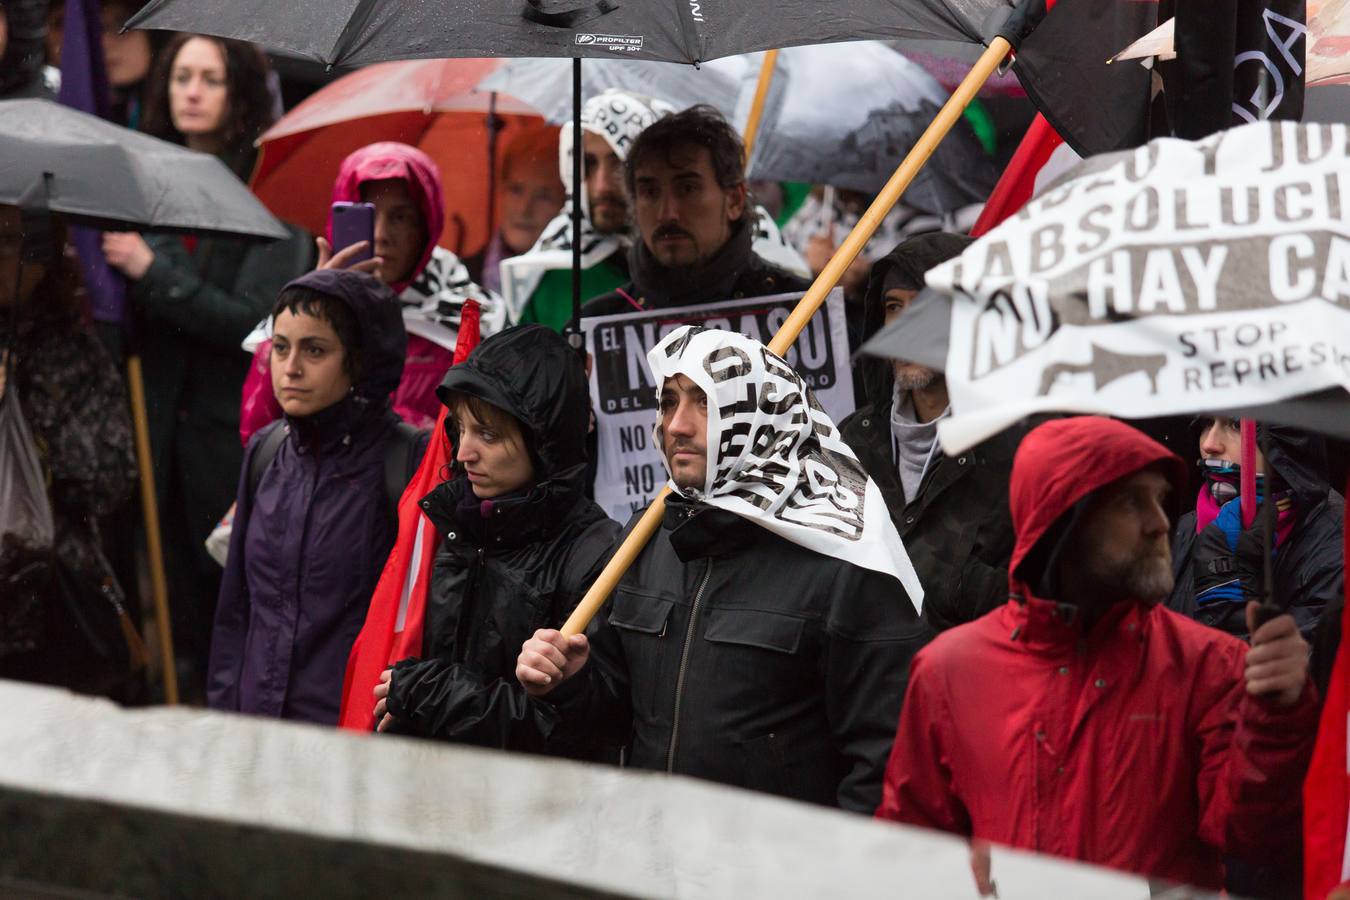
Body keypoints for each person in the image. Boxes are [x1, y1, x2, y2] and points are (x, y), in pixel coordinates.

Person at [876, 416, 1318, 890]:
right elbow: (910, 853)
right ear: (1061, 521)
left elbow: (1253, 837)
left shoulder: (1208, 665)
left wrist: (1276, 719)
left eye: (1159, 499)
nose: (1160, 523)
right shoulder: (949, 671)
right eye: (1131, 502)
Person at [517, 325, 928, 813]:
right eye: (668, 401)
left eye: (705, 404)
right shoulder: (646, 540)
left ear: (763, 416)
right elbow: (618, 720)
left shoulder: (845, 558)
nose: (676, 425)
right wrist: (571, 681)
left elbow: (888, 764)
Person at [100, 33, 313, 695]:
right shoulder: (143, 182)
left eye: (210, 79)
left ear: (239, 91)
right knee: (168, 619)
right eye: (181, 76)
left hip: (230, 445)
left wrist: (150, 272)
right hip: (153, 437)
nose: (190, 91)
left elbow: (251, 321)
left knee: (235, 617)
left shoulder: (271, 190)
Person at [370, 325, 620, 749]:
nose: (464, 452)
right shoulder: (448, 521)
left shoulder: (595, 555)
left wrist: (437, 695)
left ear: (545, 443)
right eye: (461, 428)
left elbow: (582, 726)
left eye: (488, 434)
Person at [208, 269, 413, 724]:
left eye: (314, 349)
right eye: (280, 347)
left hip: (348, 734)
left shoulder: (403, 459)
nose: (291, 367)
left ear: (358, 361)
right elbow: (236, 611)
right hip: (258, 727)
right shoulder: (267, 450)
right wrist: (223, 725)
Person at [238, 142, 505, 444]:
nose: (380, 234)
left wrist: (383, 427)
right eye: (368, 216)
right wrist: (317, 306)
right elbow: (256, 432)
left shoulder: (470, 319)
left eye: (400, 217)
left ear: (427, 225)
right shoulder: (306, 308)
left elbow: (480, 447)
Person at [840, 234, 1018, 633]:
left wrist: (956, 582)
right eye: (893, 307)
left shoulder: (1022, 448)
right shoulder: (853, 441)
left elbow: (1043, 599)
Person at [0, 205, 139, 699]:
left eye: (9, 242)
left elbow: (113, 477)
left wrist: (31, 415)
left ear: (40, 259)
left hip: (52, 600)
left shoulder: (71, 350)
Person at [582, 106, 811, 319]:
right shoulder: (594, 327)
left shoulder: (803, 313)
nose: (667, 213)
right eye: (650, 192)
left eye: (687, 189)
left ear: (734, 200)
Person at [500, 89, 667, 331]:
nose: (602, 186)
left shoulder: (692, 262)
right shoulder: (552, 278)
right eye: (588, 163)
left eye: (620, 163)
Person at [1168, 417, 1342, 642]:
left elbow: (1303, 672)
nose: (1209, 444)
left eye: (1236, 425)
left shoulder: (1336, 548)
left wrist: (1225, 586)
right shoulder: (1177, 531)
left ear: (1288, 441)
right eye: (1207, 423)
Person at [462, 126, 564, 295]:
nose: (524, 209)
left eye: (544, 196)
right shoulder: (461, 278)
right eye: (516, 190)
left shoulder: (575, 286)